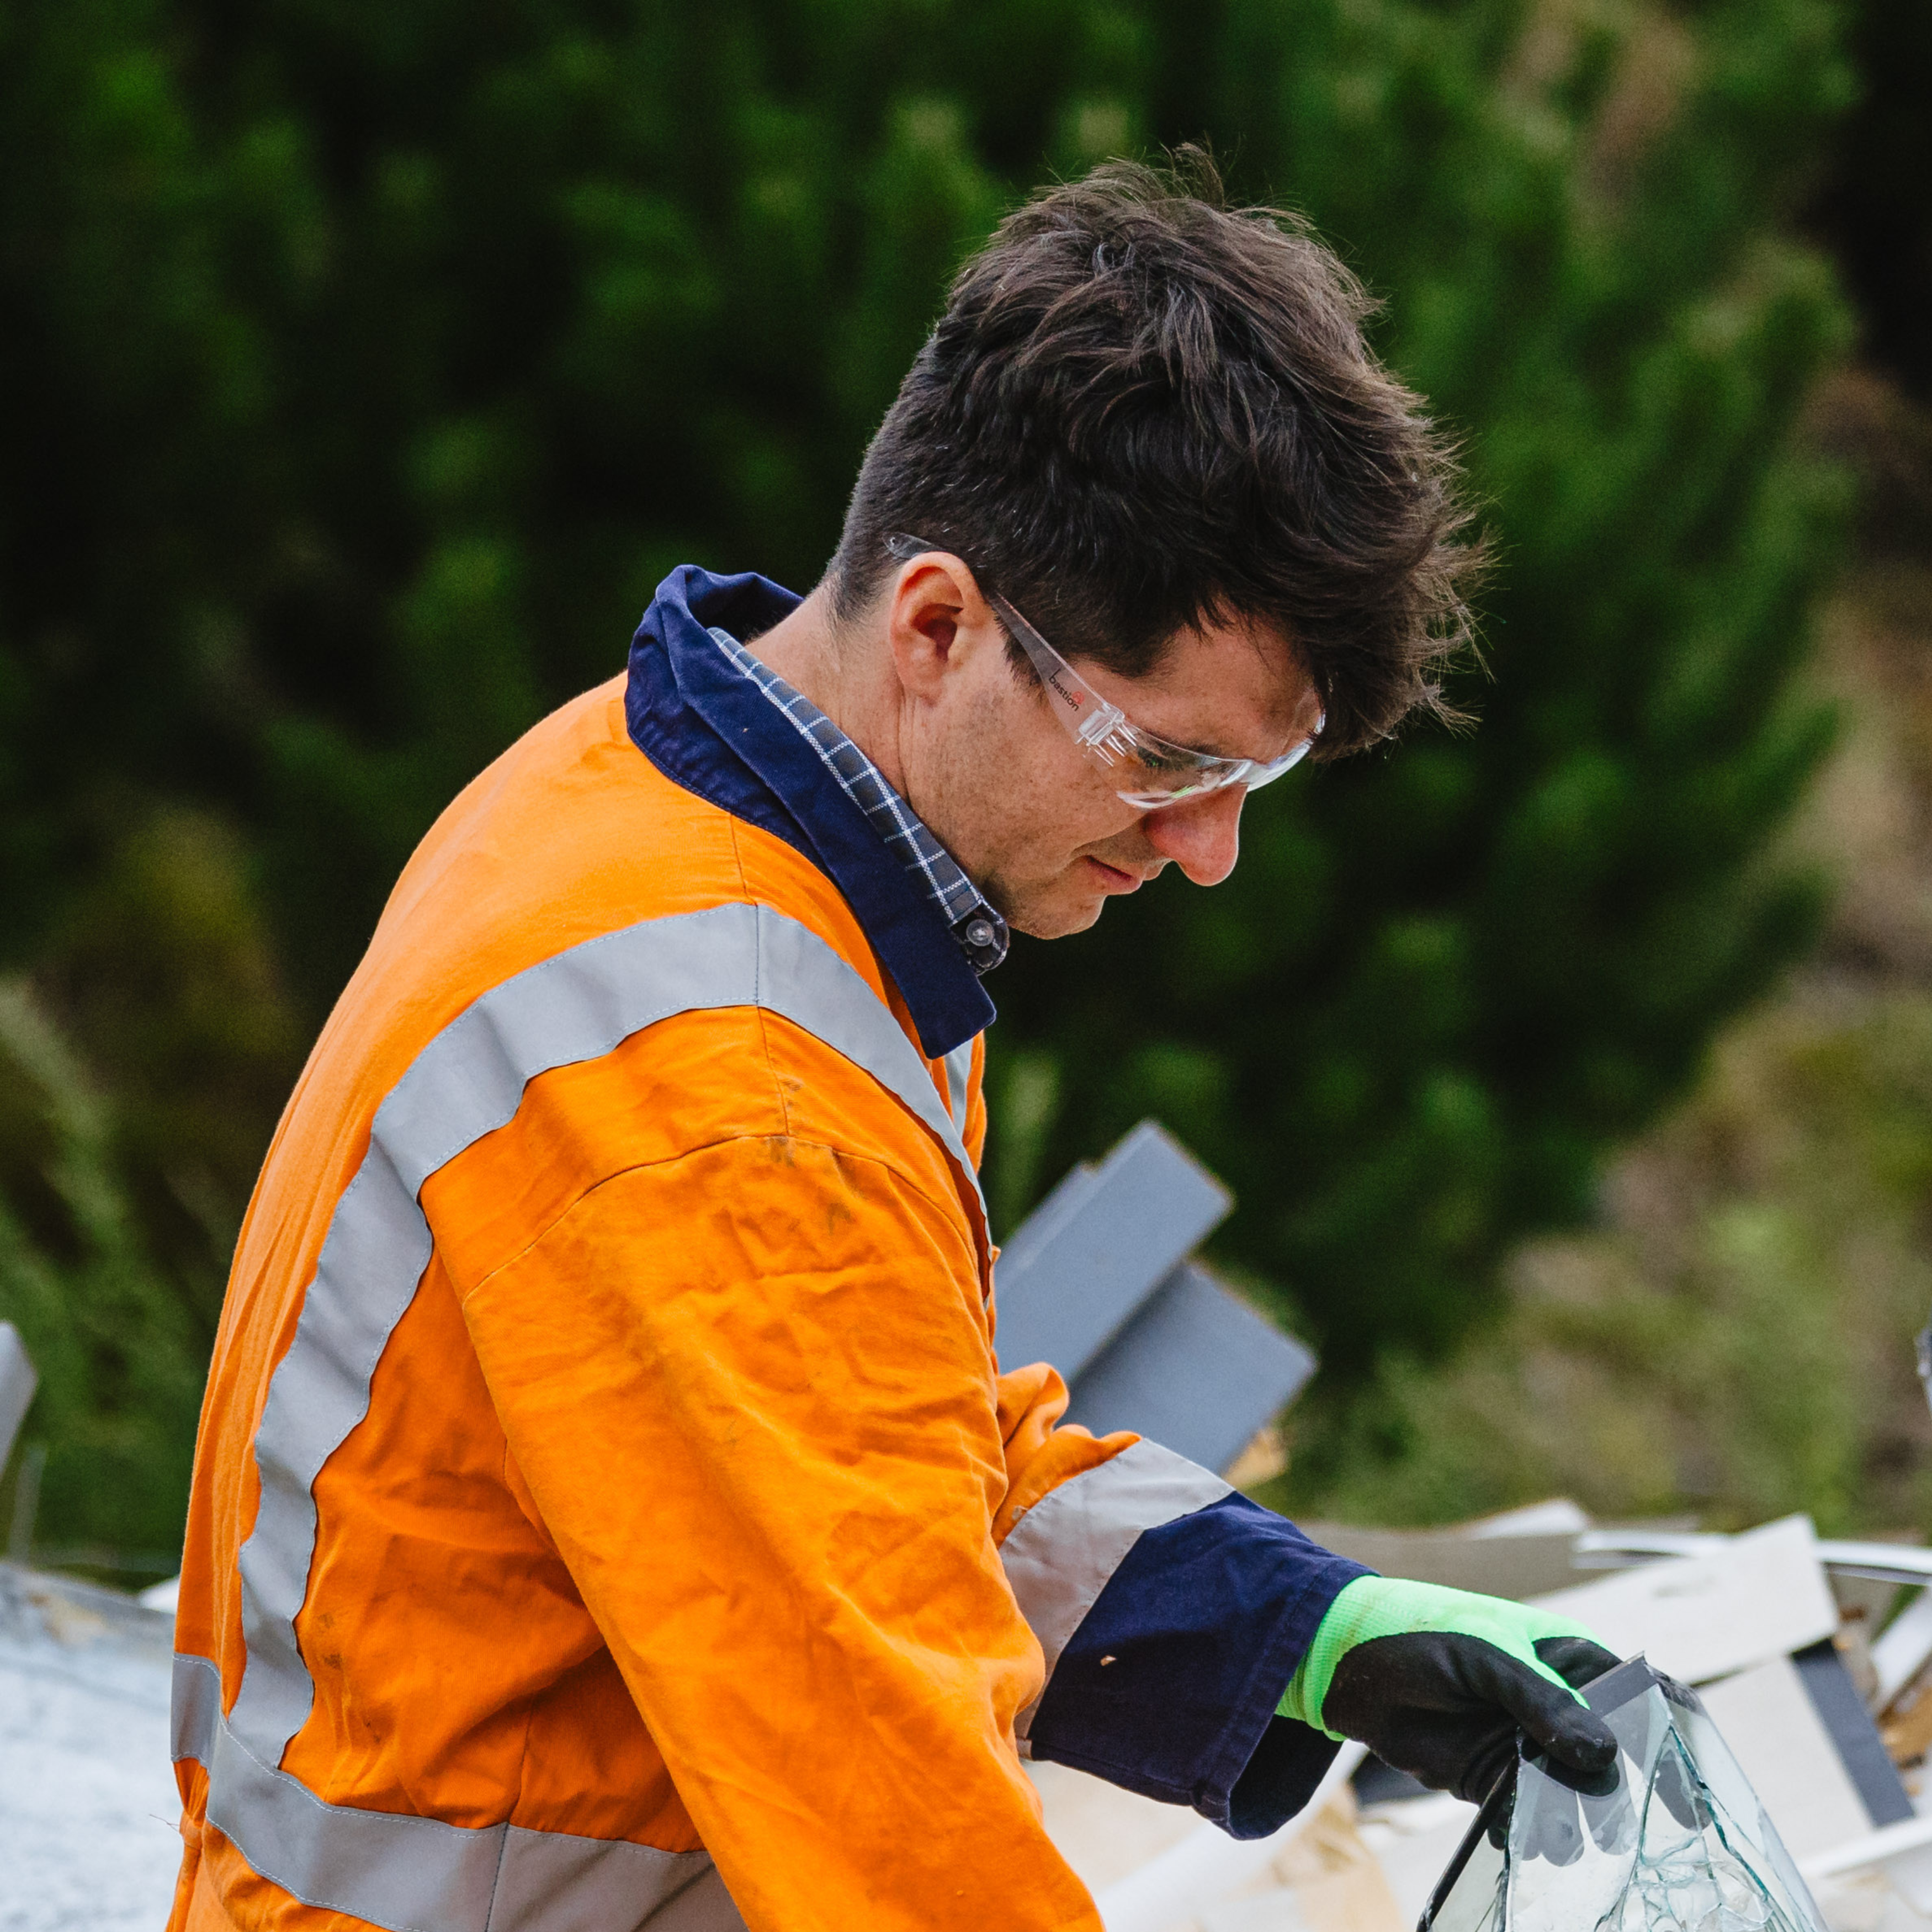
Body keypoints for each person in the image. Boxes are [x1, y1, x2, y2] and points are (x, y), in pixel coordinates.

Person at [166, 157, 1617, 1932]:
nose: (1210, 849)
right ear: (938, 624)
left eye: (1259, 774)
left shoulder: (665, 806)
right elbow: (901, 1840)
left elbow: (867, 1456)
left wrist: (1299, 1631)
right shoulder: (732, 1087)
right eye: (1168, 760)